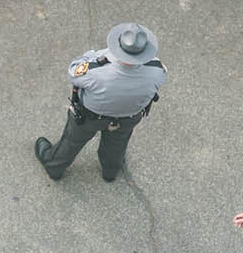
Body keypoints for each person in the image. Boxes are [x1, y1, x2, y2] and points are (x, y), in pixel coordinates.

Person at [35, 23, 165, 182]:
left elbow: (73, 72)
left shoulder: (95, 71)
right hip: (128, 118)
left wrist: (95, 55)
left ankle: (54, 167)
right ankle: (110, 172)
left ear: (118, 47)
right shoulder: (157, 70)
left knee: (72, 142)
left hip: (89, 117)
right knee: (117, 145)